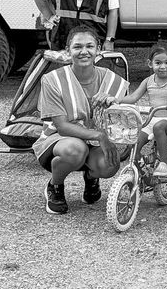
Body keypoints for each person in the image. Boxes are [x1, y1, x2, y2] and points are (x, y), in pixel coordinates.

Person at [33, 26, 129, 215]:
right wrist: (100, 136)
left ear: (98, 49)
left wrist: (114, 101)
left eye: (89, 46)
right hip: (58, 141)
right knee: (76, 149)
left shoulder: (112, 80)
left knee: (111, 165)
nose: (84, 52)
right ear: (68, 50)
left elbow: (123, 120)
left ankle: (91, 176)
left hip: (94, 142)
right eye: (77, 47)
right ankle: (55, 186)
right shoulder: (53, 80)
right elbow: (61, 126)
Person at [96, 43, 167, 177]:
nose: (162, 67)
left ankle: (165, 163)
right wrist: (116, 99)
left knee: (159, 127)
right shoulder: (148, 81)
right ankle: (142, 170)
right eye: (158, 63)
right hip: (152, 119)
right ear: (150, 64)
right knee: (134, 141)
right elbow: (133, 97)